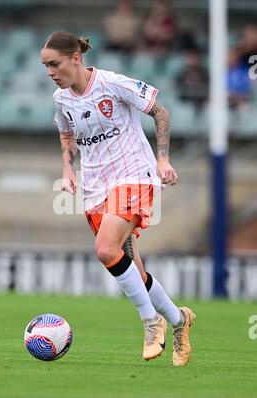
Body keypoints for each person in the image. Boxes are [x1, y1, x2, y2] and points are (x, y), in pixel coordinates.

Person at [41, 31, 196, 366]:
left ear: (75, 58)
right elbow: (66, 134)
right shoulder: (61, 100)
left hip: (133, 176)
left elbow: (161, 112)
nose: (50, 72)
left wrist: (163, 158)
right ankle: (179, 320)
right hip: (96, 188)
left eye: (54, 64)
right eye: (45, 67)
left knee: (105, 250)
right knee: (133, 272)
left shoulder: (112, 84)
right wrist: (68, 169)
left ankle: (150, 323)